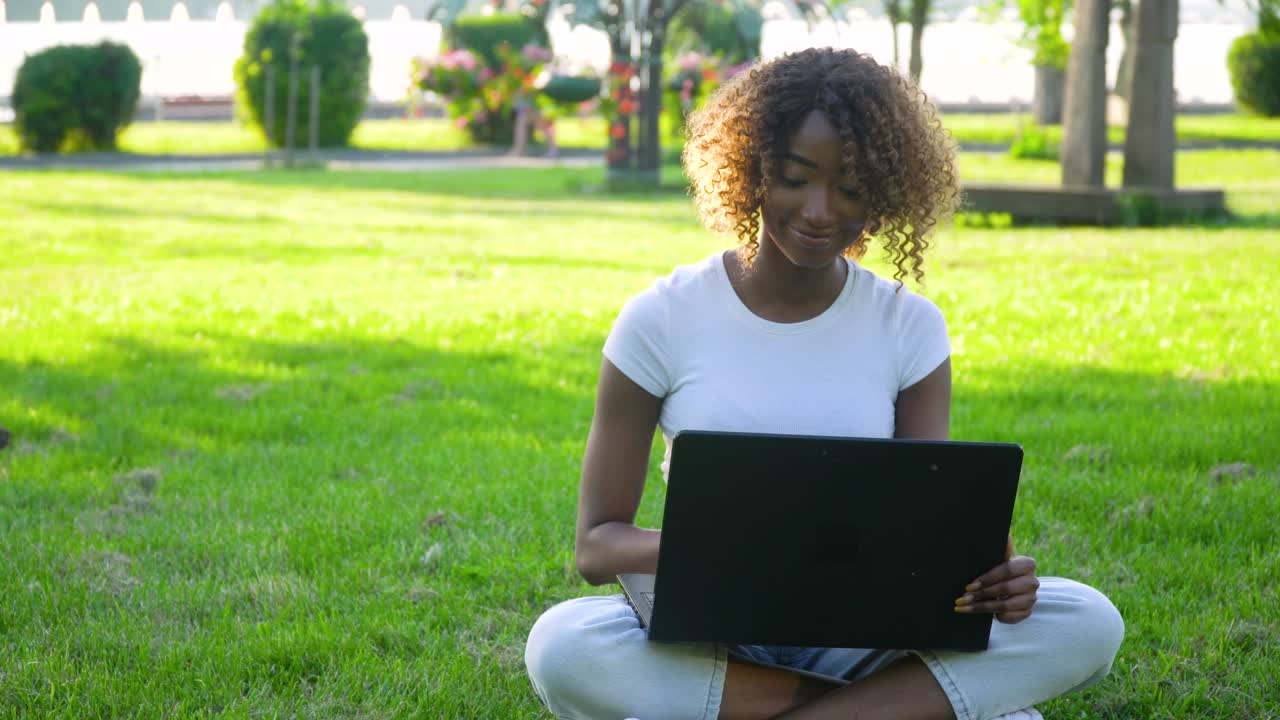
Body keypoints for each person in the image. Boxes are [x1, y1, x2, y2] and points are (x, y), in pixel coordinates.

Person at [524, 47, 1124, 720]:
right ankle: (888, 711)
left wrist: (994, 578)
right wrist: (725, 550)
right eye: (795, 178)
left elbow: (927, 531)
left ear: (888, 193)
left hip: (860, 636)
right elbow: (597, 546)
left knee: (1088, 619)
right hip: (719, 632)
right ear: (752, 170)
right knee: (562, 643)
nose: (820, 211)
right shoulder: (661, 318)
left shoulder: (910, 328)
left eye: (852, 189)